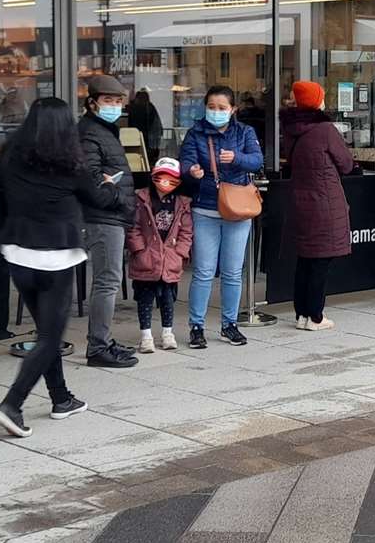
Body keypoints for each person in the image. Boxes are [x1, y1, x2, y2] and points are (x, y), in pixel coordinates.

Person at [0, 97, 108, 438]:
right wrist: (109, 187)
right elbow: (96, 199)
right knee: (50, 337)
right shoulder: (71, 164)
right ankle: (12, 404)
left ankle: (60, 398)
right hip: (57, 256)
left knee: (46, 332)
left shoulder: (11, 157)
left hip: (19, 252)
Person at [180, 85, 264, 346]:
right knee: (204, 271)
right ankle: (197, 326)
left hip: (238, 209)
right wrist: (191, 170)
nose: (216, 112)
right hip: (205, 207)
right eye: (212, 107)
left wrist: (236, 158)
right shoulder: (195, 133)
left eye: (222, 108)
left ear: (233, 110)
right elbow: (184, 162)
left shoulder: (244, 132)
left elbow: (257, 160)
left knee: (232, 271)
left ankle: (230, 323)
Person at [282, 80, 354, 330]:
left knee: (305, 259)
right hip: (324, 202)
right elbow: (345, 163)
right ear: (316, 100)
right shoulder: (325, 130)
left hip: (302, 202)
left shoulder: (291, 129)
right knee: (321, 262)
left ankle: (301, 313)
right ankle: (315, 315)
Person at [78, 76, 137, 368]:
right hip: (103, 217)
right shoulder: (90, 133)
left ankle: (104, 340)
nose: (114, 106)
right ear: (92, 103)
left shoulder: (104, 130)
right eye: (107, 101)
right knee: (107, 282)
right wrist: (115, 193)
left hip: (113, 215)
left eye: (117, 101)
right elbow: (93, 183)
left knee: (109, 280)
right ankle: (98, 348)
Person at [127, 158, 192, 353]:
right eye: (162, 178)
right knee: (145, 298)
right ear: (154, 177)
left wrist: (179, 252)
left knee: (168, 299)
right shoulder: (142, 200)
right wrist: (139, 249)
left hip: (170, 259)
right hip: (146, 258)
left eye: (172, 179)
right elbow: (133, 227)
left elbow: (186, 231)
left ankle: (167, 333)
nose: (166, 183)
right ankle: (146, 335)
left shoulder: (181, 203)